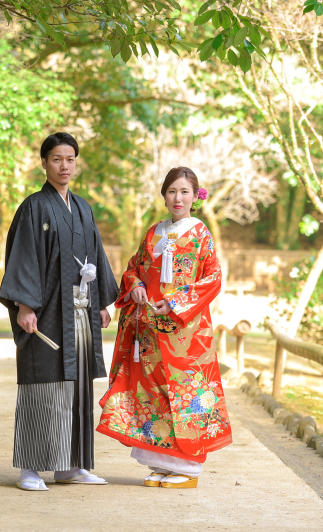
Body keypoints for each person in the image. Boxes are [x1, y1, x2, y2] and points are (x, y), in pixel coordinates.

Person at [97, 166, 232, 489]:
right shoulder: (153, 232)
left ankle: (188, 468)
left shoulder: (200, 233)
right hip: (150, 329)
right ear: (164, 195)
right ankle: (164, 463)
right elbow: (133, 268)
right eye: (172, 191)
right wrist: (137, 286)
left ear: (195, 196)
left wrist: (176, 302)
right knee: (154, 392)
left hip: (186, 332)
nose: (177, 198)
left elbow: (212, 278)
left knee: (186, 395)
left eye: (185, 191)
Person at [0, 132, 119, 491]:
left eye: (70, 159)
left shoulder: (83, 208)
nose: (64, 166)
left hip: (80, 311)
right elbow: (24, 257)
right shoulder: (34, 207)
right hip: (47, 311)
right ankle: (32, 467)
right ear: (44, 163)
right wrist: (24, 305)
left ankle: (70, 464)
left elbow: (95, 258)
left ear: (76, 163)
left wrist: (99, 303)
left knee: (77, 387)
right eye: (56, 159)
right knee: (44, 385)